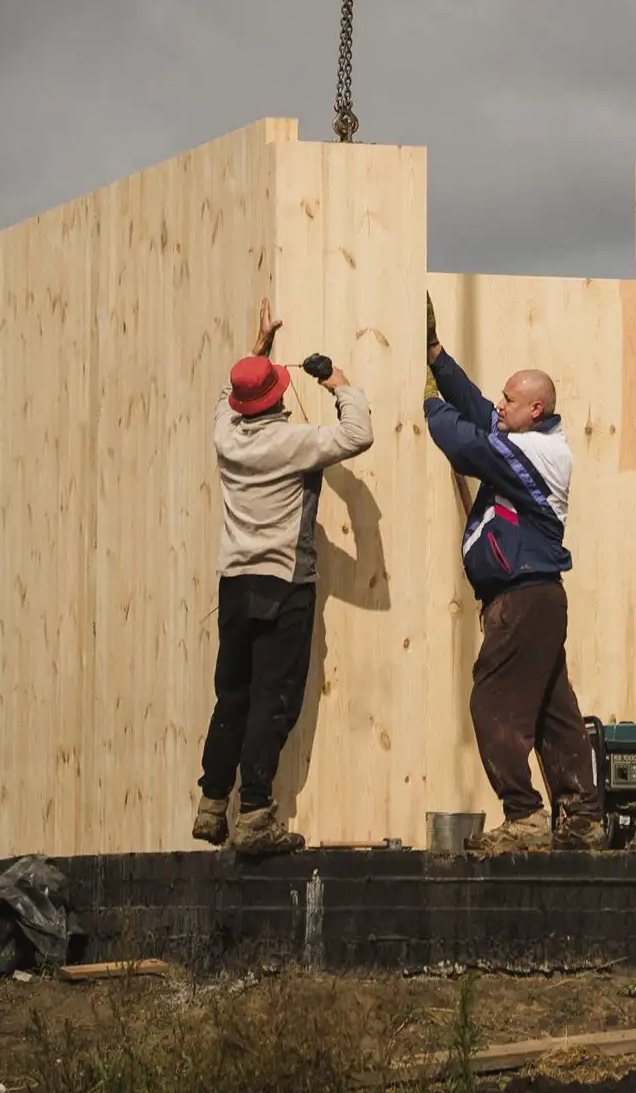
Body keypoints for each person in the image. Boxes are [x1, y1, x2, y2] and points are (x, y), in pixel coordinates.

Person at [422, 295, 606, 854]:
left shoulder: (541, 455)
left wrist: (429, 404)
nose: (500, 404)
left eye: (510, 399)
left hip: (524, 599)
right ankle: (582, 817)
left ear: (536, 410)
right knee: (553, 710)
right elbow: (481, 413)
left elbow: (469, 444)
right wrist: (437, 357)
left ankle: (524, 816)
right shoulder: (528, 437)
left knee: (492, 701)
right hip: (536, 598)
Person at [193, 299, 373, 858]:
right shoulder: (292, 444)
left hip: (235, 583)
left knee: (233, 695)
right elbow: (357, 434)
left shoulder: (227, 436)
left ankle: (211, 805)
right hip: (282, 583)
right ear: (275, 399)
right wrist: (338, 382)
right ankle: (254, 816)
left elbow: (226, 399)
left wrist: (257, 350)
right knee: (274, 698)